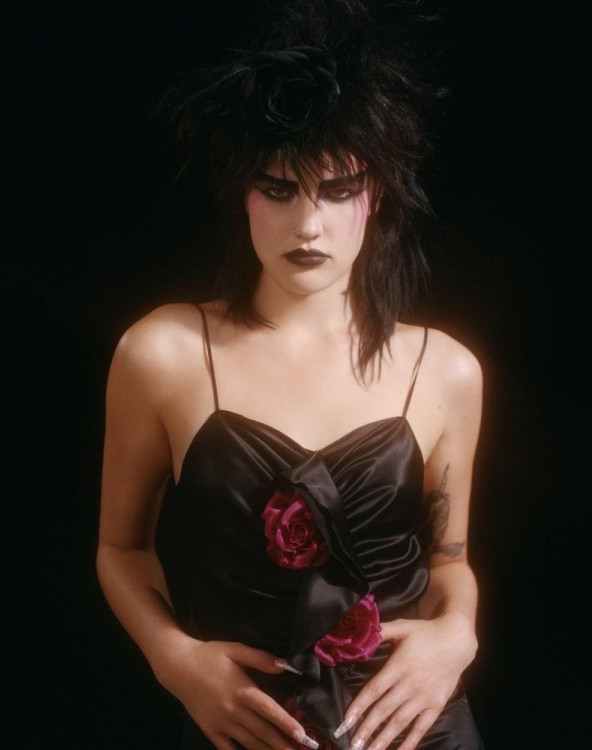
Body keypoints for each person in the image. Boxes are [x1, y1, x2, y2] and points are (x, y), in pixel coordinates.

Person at [96, 2, 485, 748]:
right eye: (278, 189)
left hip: (415, 728)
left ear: (376, 196)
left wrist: (458, 635)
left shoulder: (444, 368)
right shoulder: (164, 351)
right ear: (242, 194)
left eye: (338, 190)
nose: (308, 225)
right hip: (241, 727)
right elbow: (120, 549)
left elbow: (450, 561)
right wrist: (176, 660)